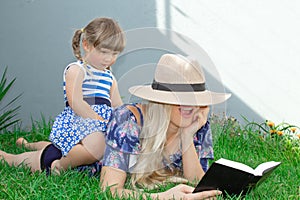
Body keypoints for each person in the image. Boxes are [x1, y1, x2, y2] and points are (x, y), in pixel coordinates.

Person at [0, 17, 125, 175]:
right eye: (104, 52)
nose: (109, 58)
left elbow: (117, 105)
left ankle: (29, 144)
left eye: (114, 53)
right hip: (80, 119)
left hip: (99, 125)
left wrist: (124, 120)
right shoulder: (77, 69)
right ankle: (58, 164)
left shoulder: (110, 78)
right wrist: (98, 121)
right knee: (95, 145)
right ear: (86, 45)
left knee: (64, 147)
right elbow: (76, 102)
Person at [99, 53, 231, 199]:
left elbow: (197, 182)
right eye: (181, 98)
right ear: (161, 101)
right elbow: (109, 190)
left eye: (195, 99)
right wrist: (162, 197)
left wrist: (187, 136)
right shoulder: (127, 120)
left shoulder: (197, 122)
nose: (191, 106)